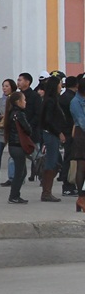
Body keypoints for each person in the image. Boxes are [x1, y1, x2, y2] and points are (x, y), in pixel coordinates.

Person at [38, 72, 68, 201]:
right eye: (60, 84)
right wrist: (59, 132)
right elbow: (48, 121)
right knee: (51, 162)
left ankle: (47, 190)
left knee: (55, 162)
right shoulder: (50, 102)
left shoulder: (52, 100)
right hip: (51, 135)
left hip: (52, 134)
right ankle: (46, 192)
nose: (61, 86)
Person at [3, 86, 34, 204]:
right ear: (18, 102)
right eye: (24, 100)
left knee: (22, 172)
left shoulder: (11, 113)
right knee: (19, 173)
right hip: (18, 146)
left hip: (14, 145)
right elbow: (28, 129)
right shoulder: (19, 114)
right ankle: (14, 196)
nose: (25, 102)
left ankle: (15, 195)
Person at [0, 78, 15, 185]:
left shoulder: (15, 99)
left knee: (13, 155)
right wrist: (0, 117)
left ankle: (13, 177)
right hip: (1, 130)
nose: (4, 88)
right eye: (3, 86)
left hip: (11, 130)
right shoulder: (0, 101)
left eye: (7, 86)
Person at [68, 79, 85, 212]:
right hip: (81, 135)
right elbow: (81, 121)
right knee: (81, 166)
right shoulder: (76, 102)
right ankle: (81, 197)